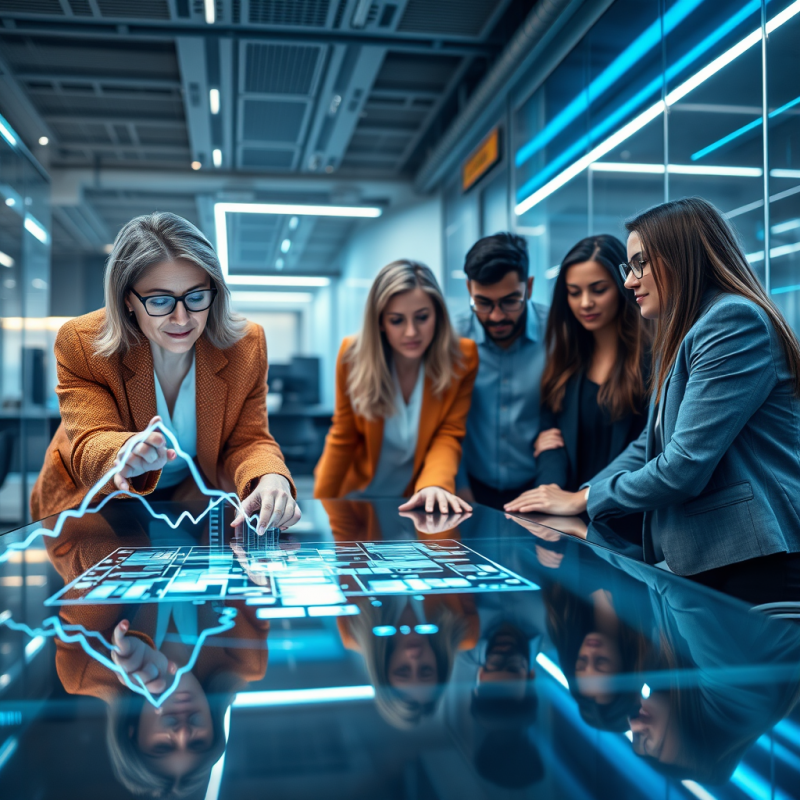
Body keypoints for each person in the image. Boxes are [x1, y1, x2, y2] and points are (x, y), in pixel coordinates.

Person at [514, 197, 800, 590]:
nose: (630, 280)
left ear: (682, 257)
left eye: (639, 264)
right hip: (715, 556)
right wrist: (582, 495)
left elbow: (682, 467)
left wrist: (584, 500)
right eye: (628, 267)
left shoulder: (732, 321)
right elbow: (646, 445)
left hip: (755, 559)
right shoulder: (686, 329)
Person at [30, 212, 300, 534]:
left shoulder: (246, 344)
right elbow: (91, 439)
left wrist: (270, 475)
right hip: (96, 508)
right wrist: (124, 453)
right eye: (160, 301)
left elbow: (248, 439)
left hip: (189, 502)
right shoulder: (83, 342)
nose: (182, 319)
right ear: (127, 299)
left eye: (196, 297)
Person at [314, 260, 478, 513]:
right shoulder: (351, 355)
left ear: (438, 315)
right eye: (397, 320)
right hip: (357, 497)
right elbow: (343, 436)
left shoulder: (463, 357)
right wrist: (316, 507)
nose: (411, 332)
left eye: (422, 317)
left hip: (416, 497)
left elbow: (449, 434)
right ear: (380, 322)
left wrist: (434, 484)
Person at [504, 235, 649, 516]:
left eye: (598, 290)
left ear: (623, 286)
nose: (585, 303)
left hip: (627, 517)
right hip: (568, 520)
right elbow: (551, 442)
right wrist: (548, 496)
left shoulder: (652, 362)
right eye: (574, 292)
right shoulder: (564, 361)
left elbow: (645, 451)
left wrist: (580, 499)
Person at [455, 233, 550, 509]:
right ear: (468, 290)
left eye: (510, 301)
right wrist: (458, 485)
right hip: (469, 490)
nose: (496, 316)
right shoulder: (451, 338)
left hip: (538, 491)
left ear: (528, 288)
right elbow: (445, 423)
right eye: (483, 303)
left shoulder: (557, 333)